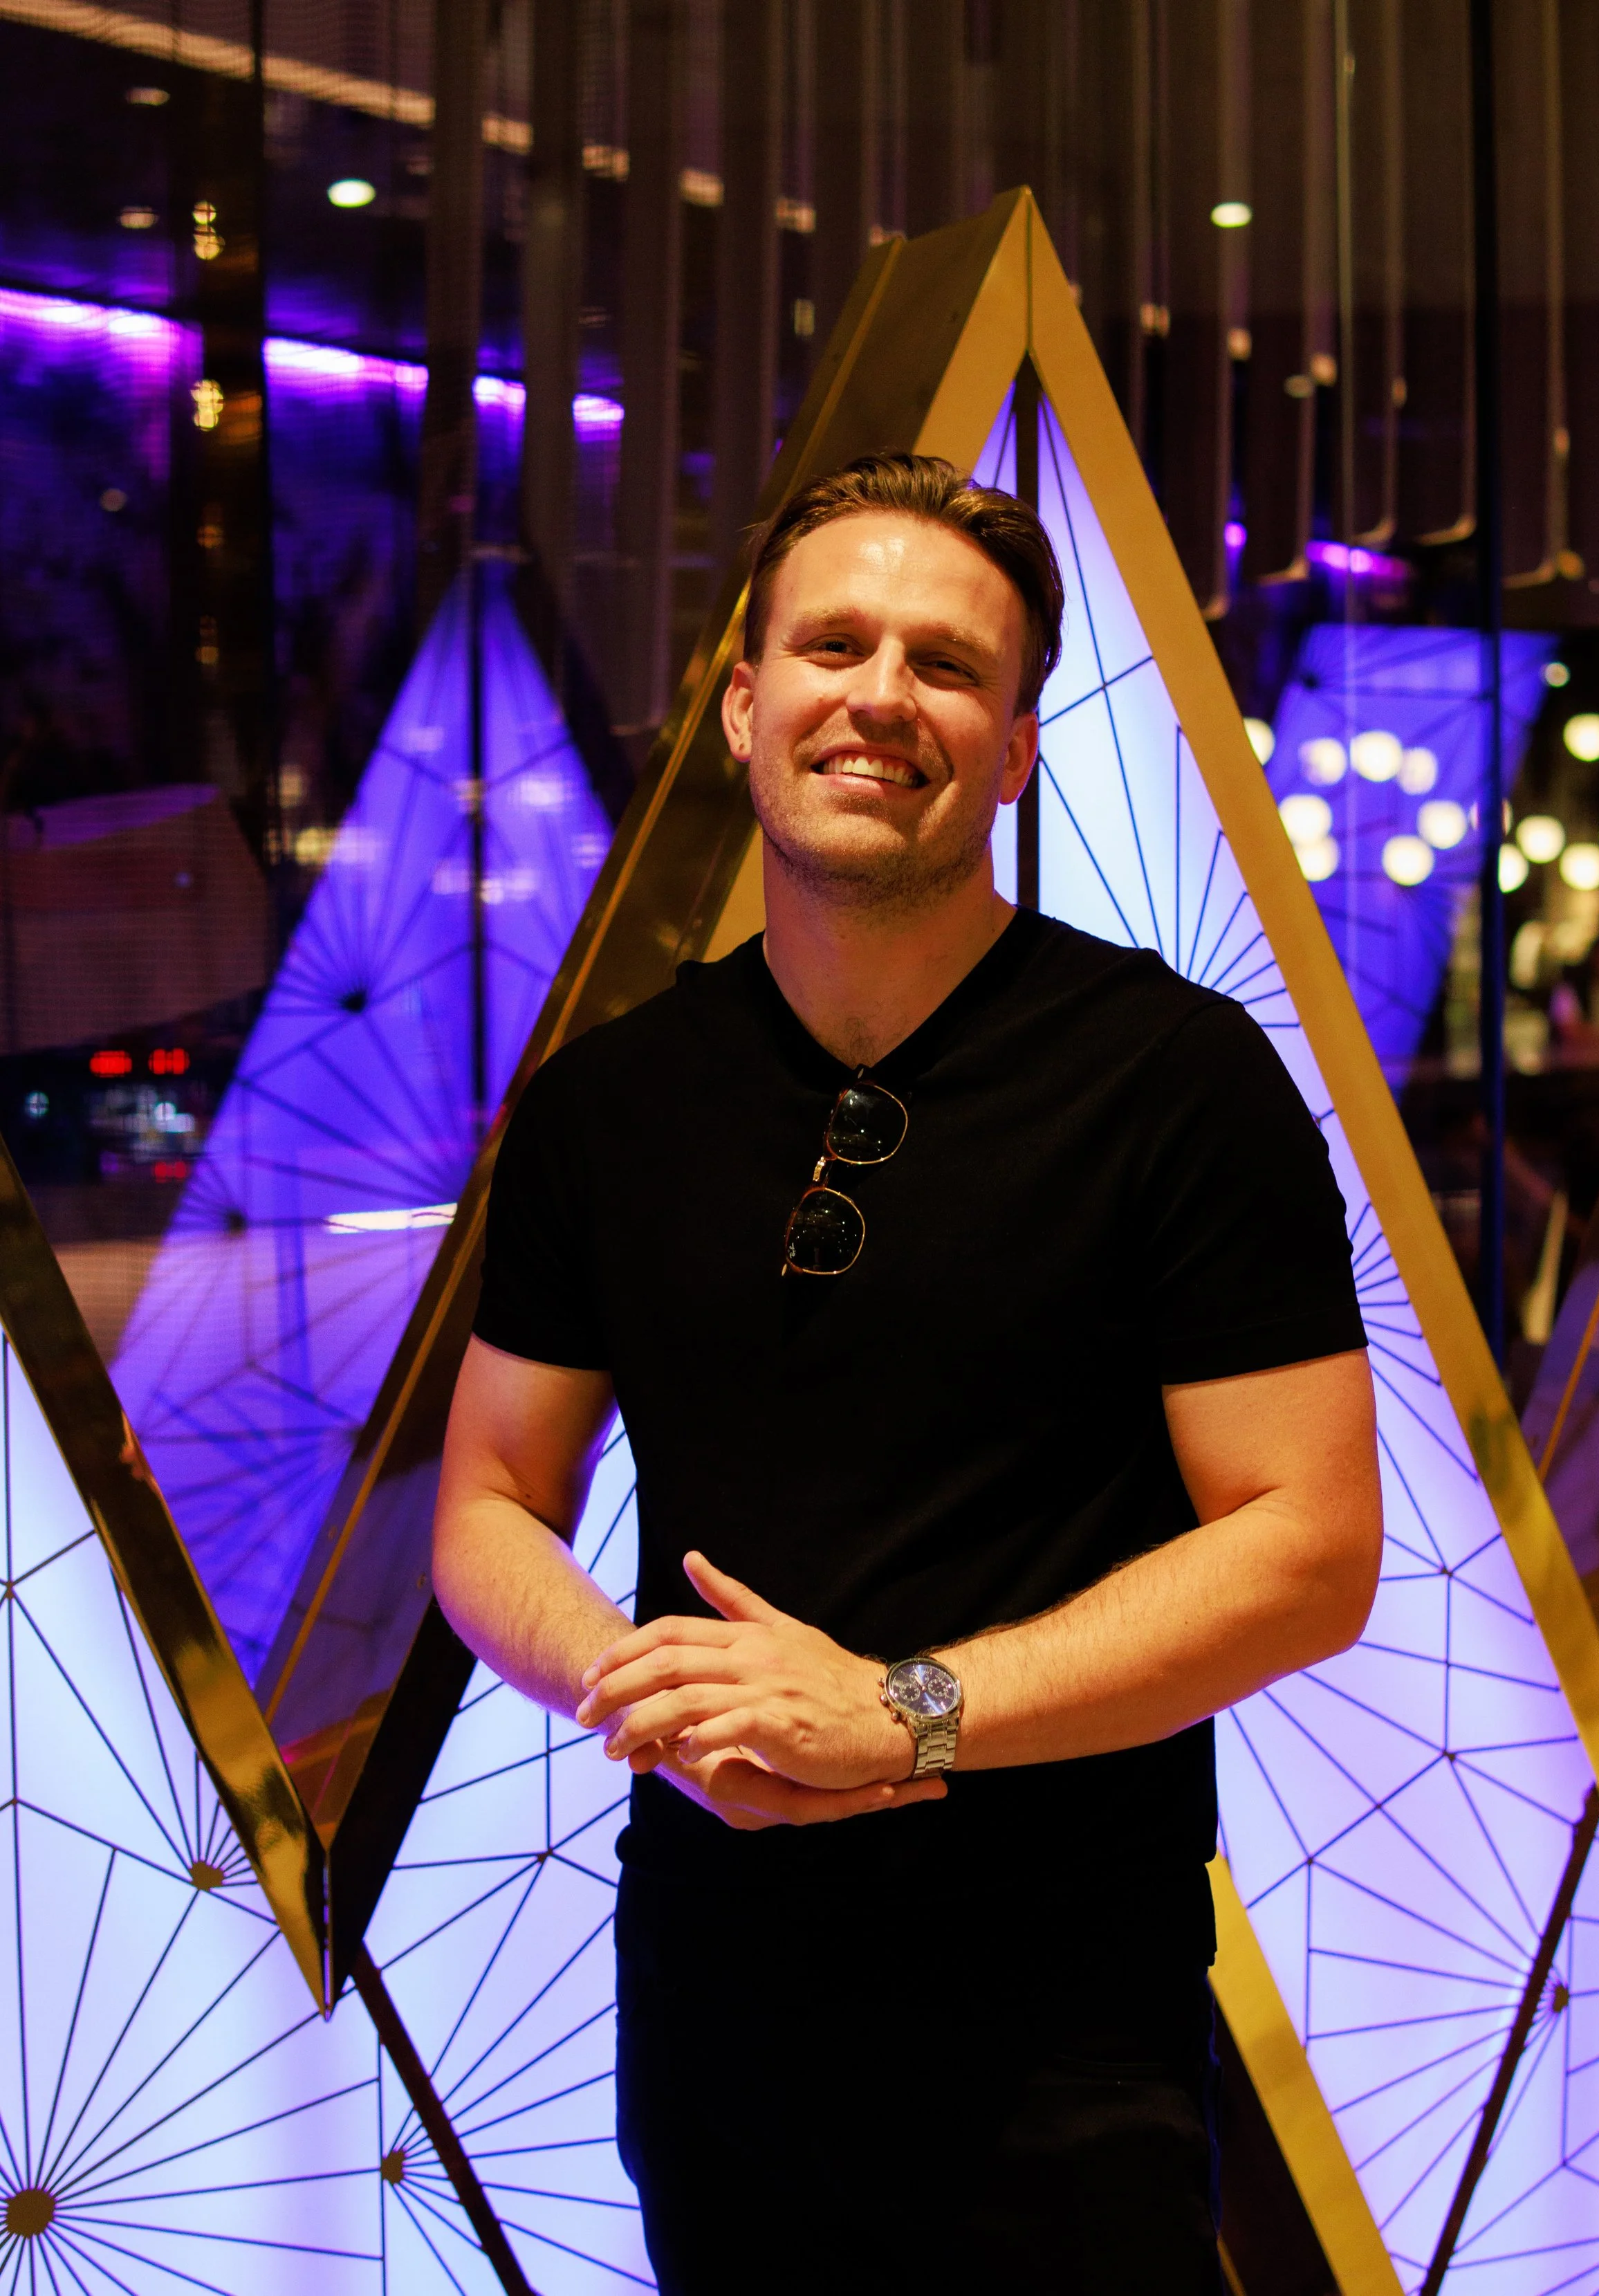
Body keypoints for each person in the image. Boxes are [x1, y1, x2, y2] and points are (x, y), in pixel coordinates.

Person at [432, 453, 1382, 2292]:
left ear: (1013, 750)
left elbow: (1311, 1549)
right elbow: (486, 1501)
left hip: (1063, 2034)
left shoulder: (1177, 1082)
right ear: (743, 705)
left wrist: (899, 1713)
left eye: (945, 665)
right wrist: (638, 1695)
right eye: (834, 645)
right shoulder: (605, 1108)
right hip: (706, 2007)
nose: (881, 695)